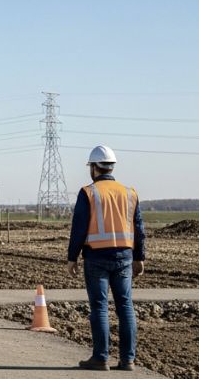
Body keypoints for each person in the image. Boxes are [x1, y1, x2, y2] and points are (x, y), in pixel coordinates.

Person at [67, 145, 146, 372]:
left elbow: (79, 228)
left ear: (94, 167)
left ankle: (100, 358)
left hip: (96, 256)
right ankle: (128, 360)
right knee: (125, 306)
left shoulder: (88, 193)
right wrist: (139, 257)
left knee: (99, 307)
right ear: (111, 167)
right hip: (124, 257)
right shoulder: (130, 193)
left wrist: (72, 257)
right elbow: (139, 228)